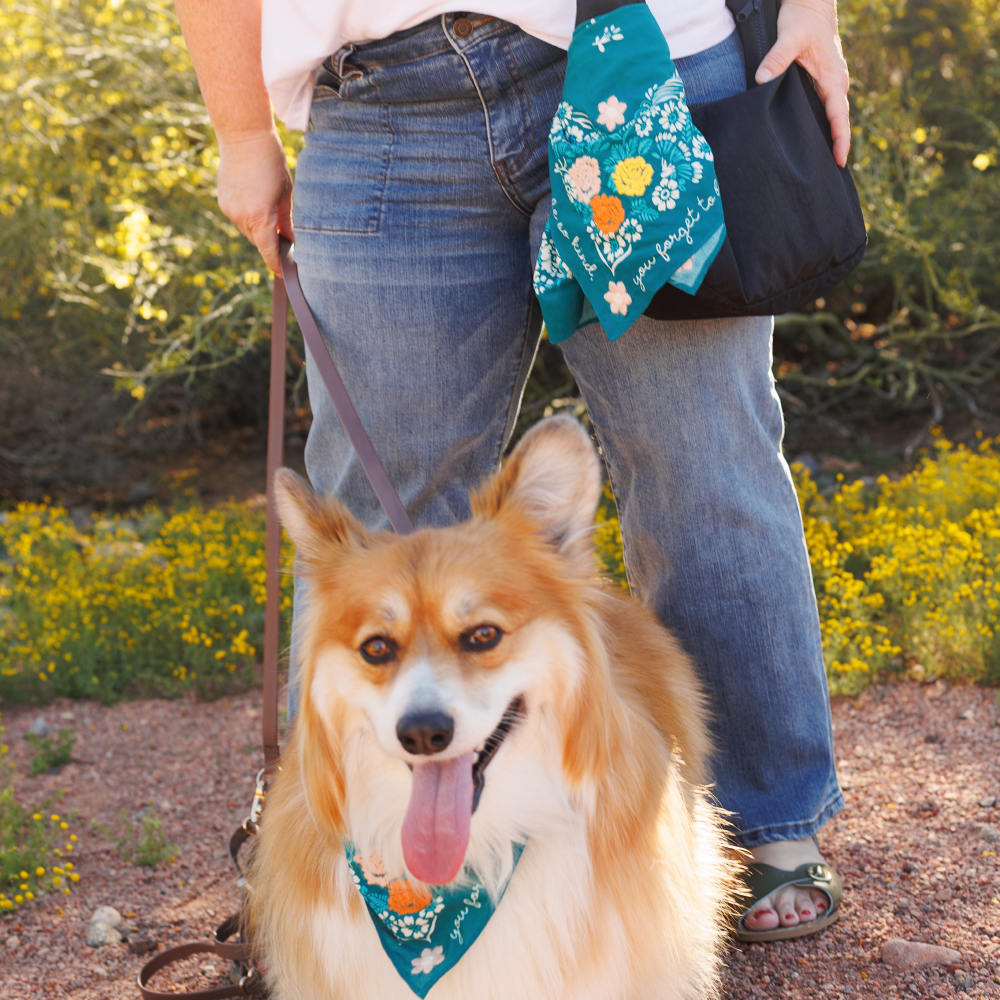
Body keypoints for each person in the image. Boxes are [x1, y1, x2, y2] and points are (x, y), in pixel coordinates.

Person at [172, 0, 852, 936]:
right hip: (380, 106)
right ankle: (362, 848)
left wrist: (811, 10)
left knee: (705, 470)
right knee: (376, 529)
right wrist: (240, 129)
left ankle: (765, 822)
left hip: (646, 59)